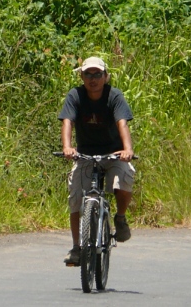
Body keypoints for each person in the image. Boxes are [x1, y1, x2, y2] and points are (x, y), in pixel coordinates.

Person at [57, 56, 136, 266]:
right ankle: (76, 247)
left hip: (113, 154)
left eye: (98, 74)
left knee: (124, 178)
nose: (93, 79)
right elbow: (67, 122)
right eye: (88, 74)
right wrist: (67, 147)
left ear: (106, 76)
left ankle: (120, 217)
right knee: (75, 197)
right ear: (82, 76)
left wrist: (127, 150)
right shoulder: (75, 95)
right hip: (85, 154)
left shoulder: (114, 96)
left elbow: (122, 123)